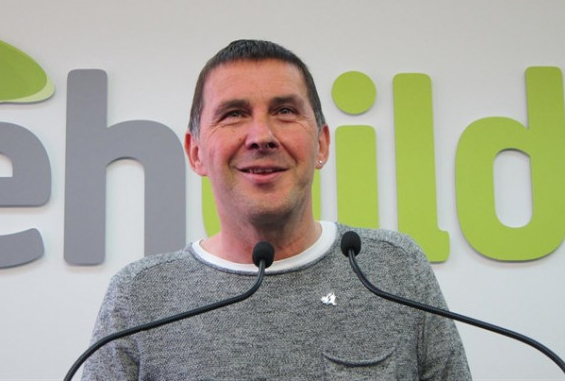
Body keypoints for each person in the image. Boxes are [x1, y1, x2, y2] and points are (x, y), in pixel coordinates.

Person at [82, 40, 471, 380]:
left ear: (321, 144)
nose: (261, 137)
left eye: (284, 110)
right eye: (234, 114)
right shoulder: (140, 297)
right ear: (196, 152)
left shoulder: (395, 270)